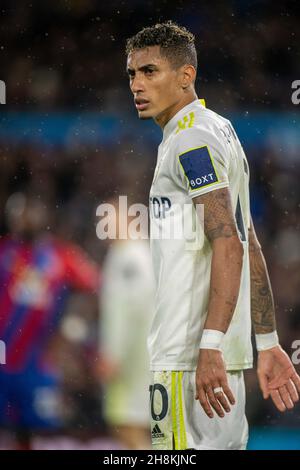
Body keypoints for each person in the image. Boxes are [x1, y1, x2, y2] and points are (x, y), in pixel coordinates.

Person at [125, 21, 300, 450]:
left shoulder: (188, 141)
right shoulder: (220, 129)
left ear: (186, 76)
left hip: (189, 360)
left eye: (150, 71)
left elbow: (227, 241)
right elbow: (248, 240)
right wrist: (267, 342)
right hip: (222, 359)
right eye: (132, 73)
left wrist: (207, 346)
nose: (137, 84)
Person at [0, 193, 100, 449]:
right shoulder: (3, 251)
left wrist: (73, 325)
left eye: (31, 213)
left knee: (44, 434)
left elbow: (95, 286)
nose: (25, 220)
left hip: (39, 361)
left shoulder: (60, 255)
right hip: (2, 360)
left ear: (43, 217)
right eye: (19, 214)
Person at [98, 197, 154, 449]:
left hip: (133, 360)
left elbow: (128, 312)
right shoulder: (140, 253)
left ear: (130, 219)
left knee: (126, 423)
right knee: (137, 424)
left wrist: (114, 354)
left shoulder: (129, 257)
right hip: (143, 355)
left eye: (111, 217)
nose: (105, 224)